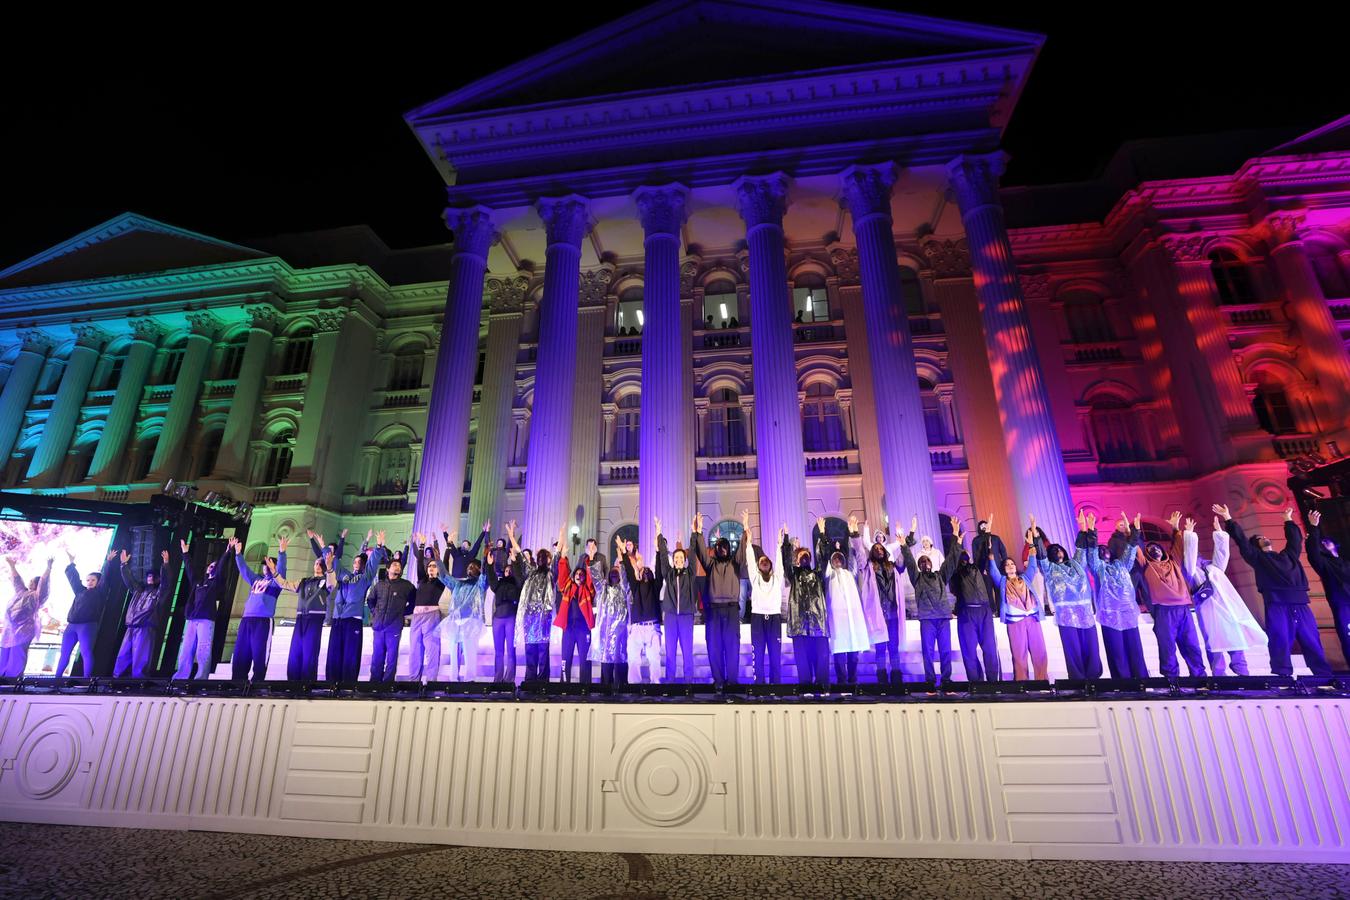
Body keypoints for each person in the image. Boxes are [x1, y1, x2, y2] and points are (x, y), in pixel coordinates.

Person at [1215, 504, 1332, 676]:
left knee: (1312, 640)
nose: (1264, 537)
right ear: (1255, 545)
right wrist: (1228, 518)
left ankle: (1323, 676)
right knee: (1280, 640)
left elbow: (1294, 541)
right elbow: (1241, 541)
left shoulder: (1288, 556)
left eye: (1264, 536)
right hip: (1277, 604)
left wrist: (1288, 520)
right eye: (1260, 538)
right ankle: (1282, 674)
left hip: (1300, 604)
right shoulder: (1257, 558)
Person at [1181, 516, 1265, 675]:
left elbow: (1221, 554)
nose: (1198, 557)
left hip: (1226, 610)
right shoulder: (1192, 572)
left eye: (1199, 555)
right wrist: (1190, 536)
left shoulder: (1214, 569)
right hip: (1208, 611)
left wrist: (1219, 532)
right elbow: (1189, 558)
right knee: (1214, 644)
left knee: (1236, 641)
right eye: (1196, 555)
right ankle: (1219, 676)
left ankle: (1243, 673)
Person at [1137, 511, 1207, 678]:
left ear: (1162, 550)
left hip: (1183, 609)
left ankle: (1200, 677)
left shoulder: (1173, 562)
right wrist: (1137, 530)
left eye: (1157, 547)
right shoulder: (1147, 566)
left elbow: (1177, 545)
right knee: (1167, 647)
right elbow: (1137, 548)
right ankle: (1171, 680)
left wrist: (1175, 528)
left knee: (1192, 645)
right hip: (1164, 611)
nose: (1155, 549)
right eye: (1151, 548)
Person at [1079, 512, 1149, 680]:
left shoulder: (1121, 564)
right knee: (1116, 652)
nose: (1103, 551)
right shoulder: (1098, 568)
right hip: (1109, 615)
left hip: (1127, 614)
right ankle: (1123, 683)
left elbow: (1131, 551)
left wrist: (1135, 532)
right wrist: (1090, 530)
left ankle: (1141, 681)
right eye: (1100, 550)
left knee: (1135, 650)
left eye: (1105, 549)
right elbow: (1091, 555)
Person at [1032, 515, 1102, 679]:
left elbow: (1080, 550)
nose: (1057, 551)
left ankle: (1093, 678)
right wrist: (1036, 536)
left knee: (1090, 645)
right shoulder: (1049, 569)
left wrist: (1085, 529)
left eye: (1059, 548)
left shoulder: (1077, 564)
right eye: (1053, 550)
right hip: (1065, 613)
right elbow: (1041, 556)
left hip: (1084, 610)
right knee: (1072, 648)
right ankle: (1078, 679)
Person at [690, 510, 748, 688]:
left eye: (725, 546)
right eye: (719, 547)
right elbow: (701, 553)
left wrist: (745, 529)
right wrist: (698, 532)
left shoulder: (735, 563)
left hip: (731, 610)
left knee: (732, 647)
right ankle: (719, 681)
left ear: (728, 548)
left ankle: (732, 681)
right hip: (714, 611)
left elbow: (742, 548)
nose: (722, 549)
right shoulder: (711, 564)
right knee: (714, 646)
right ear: (715, 549)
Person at [899, 515, 959, 684]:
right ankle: (930, 681)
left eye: (927, 561)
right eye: (922, 562)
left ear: (932, 564)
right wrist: (904, 545)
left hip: (943, 617)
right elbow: (910, 562)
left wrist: (955, 536)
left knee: (946, 650)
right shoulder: (917, 578)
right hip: (927, 618)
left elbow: (951, 561)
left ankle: (947, 679)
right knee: (928, 651)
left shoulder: (941, 576)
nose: (925, 564)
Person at [946, 516, 1003, 682]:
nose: (964, 557)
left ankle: (993, 681)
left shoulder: (976, 567)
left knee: (990, 648)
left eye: (965, 554)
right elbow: (951, 558)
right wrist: (955, 537)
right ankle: (976, 682)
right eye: (961, 555)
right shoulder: (954, 572)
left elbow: (982, 553)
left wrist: (987, 533)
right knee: (969, 651)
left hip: (984, 610)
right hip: (966, 612)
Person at [325, 531, 383, 682]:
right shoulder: (344, 576)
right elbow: (333, 562)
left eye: (359, 562)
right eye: (355, 562)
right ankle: (332, 682)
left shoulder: (365, 578)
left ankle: (348, 684)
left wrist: (378, 546)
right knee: (334, 653)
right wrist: (323, 546)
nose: (356, 564)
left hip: (353, 619)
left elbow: (372, 564)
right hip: (338, 619)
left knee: (350, 654)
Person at [173, 539, 235, 680]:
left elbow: (222, 567)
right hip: (192, 619)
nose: (211, 567)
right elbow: (189, 570)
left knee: (203, 650)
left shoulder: (216, 583)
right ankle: (180, 677)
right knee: (186, 650)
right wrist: (185, 553)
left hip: (206, 619)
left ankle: (201, 678)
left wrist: (227, 552)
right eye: (210, 566)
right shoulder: (199, 582)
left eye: (214, 566)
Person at [230, 536, 289, 682]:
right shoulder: (256, 579)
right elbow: (244, 570)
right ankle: (237, 682)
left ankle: (257, 683)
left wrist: (282, 552)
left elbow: (281, 572)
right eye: (264, 564)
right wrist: (238, 554)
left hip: (262, 622)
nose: (265, 566)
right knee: (240, 653)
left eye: (269, 564)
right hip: (246, 620)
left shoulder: (276, 584)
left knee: (259, 653)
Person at [822, 517, 872, 686]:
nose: (837, 561)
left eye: (839, 559)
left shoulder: (850, 572)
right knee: (839, 652)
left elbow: (857, 555)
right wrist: (823, 535)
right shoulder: (829, 576)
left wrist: (854, 534)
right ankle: (842, 682)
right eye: (834, 559)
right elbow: (824, 556)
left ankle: (853, 680)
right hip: (837, 620)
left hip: (854, 618)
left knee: (853, 651)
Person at [55, 549, 119, 677]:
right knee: (64, 653)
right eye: (88, 580)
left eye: (93, 580)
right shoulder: (80, 591)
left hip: (87, 626)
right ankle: (56, 678)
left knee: (86, 652)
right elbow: (73, 579)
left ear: (98, 582)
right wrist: (72, 563)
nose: (89, 582)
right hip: (71, 626)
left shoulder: (100, 591)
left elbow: (105, 577)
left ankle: (86, 680)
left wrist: (108, 561)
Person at [987, 547, 1049, 680]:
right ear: (1003, 569)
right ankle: (1022, 682)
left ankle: (1042, 681)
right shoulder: (1002, 581)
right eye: (1007, 565)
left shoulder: (1025, 578)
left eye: (1012, 564)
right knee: (1019, 653)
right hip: (1015, 621)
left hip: (1032, 618)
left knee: (1039, 651)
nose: (1010, 566)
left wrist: (1032, 546)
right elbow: (993, 572)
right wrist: (991, 556)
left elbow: (1032, 566)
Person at [853, 520, 903, 683]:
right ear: (873, 552)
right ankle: (881, 678)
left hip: (893, 613)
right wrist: (855, 534)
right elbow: (860, 552)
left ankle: (896, 678)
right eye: (876, 549)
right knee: (880, 649)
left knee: (893, 647)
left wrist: (902, 540)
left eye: (882, 548)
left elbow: (903, 563)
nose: (880, 550)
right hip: (878, 614)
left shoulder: (892, 566)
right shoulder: (868, 566)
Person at [114, 549, 176, 678]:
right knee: (123, 654)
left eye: (154, 576)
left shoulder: (159, 593)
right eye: (149, 576)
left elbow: (166, 583)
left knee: (140, 657)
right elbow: (129, 581)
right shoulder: (138, 590)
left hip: (145, 627)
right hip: (131, 626)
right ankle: (117, 678)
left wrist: (165, 564)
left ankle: (138, 681)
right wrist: (124, 565)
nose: (150, 578)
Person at [783, 528, 830, 688]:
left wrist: (822, 535)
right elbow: (785, 563)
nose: (804, 559)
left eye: (806, 556)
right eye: (801, 556)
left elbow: (823, 559)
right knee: (803, 659)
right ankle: (806, 686)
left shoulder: (817, 574)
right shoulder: (793, 575)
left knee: (822, 657)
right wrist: (787, 542)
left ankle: (822, 685)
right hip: (799, 624)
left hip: (817, 623)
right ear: (797, 559)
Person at [286, 536, 336, 681]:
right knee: (295, 651)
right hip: (301, 617)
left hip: (315, 618)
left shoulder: (326, 580)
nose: (318, 565)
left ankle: (307, 683)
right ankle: (292, 682)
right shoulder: (304, 581)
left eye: (321, 564)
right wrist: (278, 563)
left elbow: (332, 582)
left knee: (310, 651)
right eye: (316, 563)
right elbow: (285, 584)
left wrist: (329, 565)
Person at [655, 517, 698, 683]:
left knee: (688, 652)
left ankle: (689, 684)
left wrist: (694, 533)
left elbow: (693, 553)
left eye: (681, 558)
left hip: (686, 616)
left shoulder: (690, 573)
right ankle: (670, 683)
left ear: (684, 561)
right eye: (676, 558)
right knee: (670, 652)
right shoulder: (669, 573)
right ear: (673, 562)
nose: (679, 560)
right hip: (671, 617)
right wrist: (659, 534)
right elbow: (663, 557)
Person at [744, 517, 786, 684]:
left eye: (766, 561)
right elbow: (749, 561)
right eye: (761, 561)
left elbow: (781, 565)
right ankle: (759, 687)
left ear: (770, 565)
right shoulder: (755, 578)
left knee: (775, 656)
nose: (764, 562)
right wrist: (748, 542)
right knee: (758, 655)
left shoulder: (777, 578)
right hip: (757, 619)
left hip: (774, 619)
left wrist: (778, 546)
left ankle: (776, 686)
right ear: (758, 566)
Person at [1306, 510, 1350, 666]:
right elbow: (1312, 553)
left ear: (1335, 544)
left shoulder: (1346, 563)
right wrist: (1313, 528)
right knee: (1348, 638)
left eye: (1326, 541)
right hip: (1343, 606)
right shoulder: (1324, 564)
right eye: (1321, 542)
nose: (1323, 543)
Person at [366, 549, 416, 682]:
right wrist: (375, 612)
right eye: (395, 565)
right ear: (388, 569)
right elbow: (371, 600)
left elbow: (414, 602)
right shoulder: (380, 585)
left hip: (394, 627)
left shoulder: (407, 586)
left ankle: (387, 684)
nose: (398, 567)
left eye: (399, 565)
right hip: (378, 627)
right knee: (377, 657)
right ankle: (374, 684)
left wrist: (402, 613)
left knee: (392, 658)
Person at [555, 523, 596, 683]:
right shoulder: (568, 587)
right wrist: (563, 556)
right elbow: (562, 575)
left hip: (583, 627)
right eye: (577, 573)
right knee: (565, 659)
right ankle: (564, 686)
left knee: (585, 659)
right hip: (569, 628)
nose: (579, 575)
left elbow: (593, 578)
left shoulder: (588, 590)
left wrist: (591, 559)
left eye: (582, 574)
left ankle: (585, 688)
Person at [514, 534, 556, 682]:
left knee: (543, 651)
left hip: (544, 618)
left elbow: (558, 557)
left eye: (543, 557)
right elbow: (520, 555)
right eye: (539, 557)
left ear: (548, 560)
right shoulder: (531, 573)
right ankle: (530, 680)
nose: (541, 560)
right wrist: (512, 535)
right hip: (530, 618)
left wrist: (562, 536)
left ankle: (543, 682)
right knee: (530, 649)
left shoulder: (551, 574)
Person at [409, 532, 451, 682]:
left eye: (434, 567)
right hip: (416, 618)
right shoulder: (422, 580)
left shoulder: (440, 582)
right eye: (430, 567)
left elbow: (444, 570)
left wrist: (440, 556)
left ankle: (431, 681)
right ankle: (414, 680)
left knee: (432, 649)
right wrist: (421, 545)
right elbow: (420, 563)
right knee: (415, 650)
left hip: (431, 617)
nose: (431, 568)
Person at [619, 539, 663, 684]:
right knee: (633, 659)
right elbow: (629, 571)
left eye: (648, 571)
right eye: (643, 570)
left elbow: (659, 571)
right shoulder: (635, 586)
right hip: (637, 628)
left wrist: (657, 551)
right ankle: (633, 686)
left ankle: (656, 685)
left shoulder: (655, 587)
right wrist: (624, 553)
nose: (645, 572)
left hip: (652, 628)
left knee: (655, 660)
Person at [2, 554, 53, 677]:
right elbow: (17, 580)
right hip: (10, 628)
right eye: (30, 582)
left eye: (33, 582)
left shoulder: (38, 596)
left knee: (18, 653)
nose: (30, 584)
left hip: (24, 629)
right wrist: (12, 566)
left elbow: (44, 582)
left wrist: (48, 568)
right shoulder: (22, 592)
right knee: (5, 651)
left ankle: (12, 678)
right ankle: (1, 674)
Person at [487, 522, 524, 682]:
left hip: (510, 617)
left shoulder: (516, 583)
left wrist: (514, 561)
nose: (508, 571)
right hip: (498, 618)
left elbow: (518, 574)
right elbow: (492, 579)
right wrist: (489, 566)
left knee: (511, 649)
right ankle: (497, 678)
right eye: (506, 570)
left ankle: (509, 680)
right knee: (498, 651)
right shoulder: (499, 584)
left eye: (510, 570)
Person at [444, 553, 488, 681]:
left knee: (470, 652)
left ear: (479, 569)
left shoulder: (480, 583)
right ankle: (453, 680)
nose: (470, 567)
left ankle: (469, 680)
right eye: (469, 566)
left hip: (471, 622)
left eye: (474, 566)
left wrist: (486, 551)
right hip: (455, 621)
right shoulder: (458, 584)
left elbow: (485, 573)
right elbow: (443, 576)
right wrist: (438, 559)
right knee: (454, 653)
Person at [591, 560, 630, 687]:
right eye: (612, 573)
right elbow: (596, 578)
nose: (614, 574)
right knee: (607, 661)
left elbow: (625, 577)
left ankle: (622, 687)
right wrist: (591, 558)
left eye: (616, 572)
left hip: (621, 632)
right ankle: (606, 687)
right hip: (606, 632)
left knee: (621, 659)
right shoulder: (604, 590)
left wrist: (622, 560)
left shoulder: (624, 589)